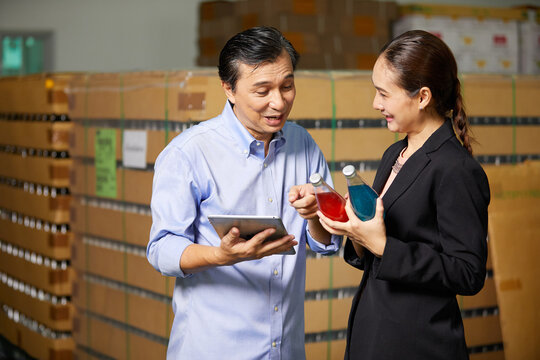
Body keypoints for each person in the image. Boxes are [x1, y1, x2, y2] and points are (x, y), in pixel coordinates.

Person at [147, 26, 342, 360]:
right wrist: (222, 256)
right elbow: (162, 249)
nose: (278, 102)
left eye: (287, 86)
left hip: (286, 349)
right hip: (214, 349)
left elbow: (327, 243)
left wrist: (315, 216)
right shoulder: (189, 153)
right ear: (229, 88)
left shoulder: (303, 144)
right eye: (262, 90)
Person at [317, 30, 490, 359]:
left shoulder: (455, 169)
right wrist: (355, 230)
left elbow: (468, 273)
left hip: (419, 343)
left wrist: (383, 245)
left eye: (383, 93)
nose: (375, 103)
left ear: (422, 96)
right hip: (373, 330)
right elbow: (376, 250)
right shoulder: (394, 154)